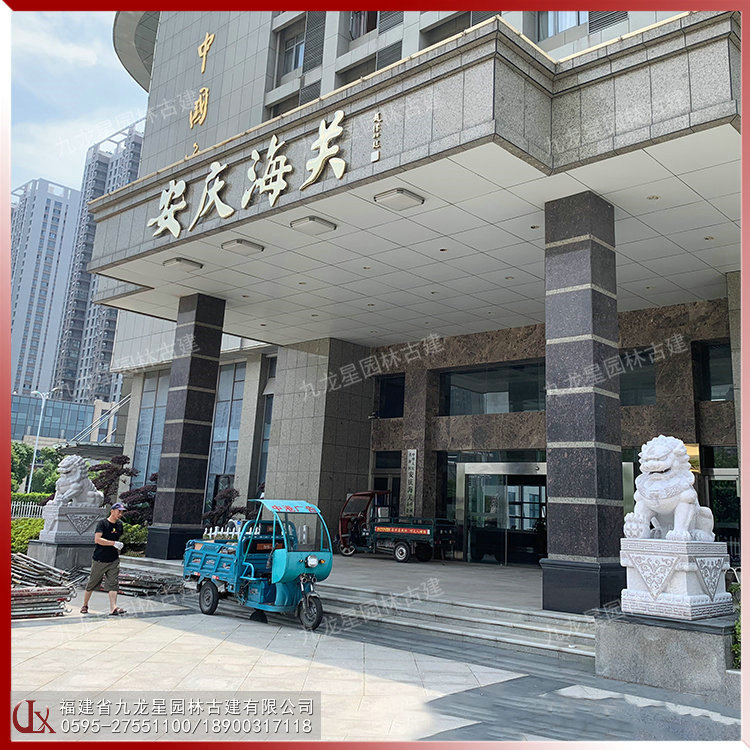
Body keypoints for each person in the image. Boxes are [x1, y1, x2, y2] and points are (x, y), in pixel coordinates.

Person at [80, 502, 127, 616]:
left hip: (113, 559)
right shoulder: (102, 524)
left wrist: (118, 545)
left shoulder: (119, 525)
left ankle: (113, 607)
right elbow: (97, 539)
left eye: (122, 512)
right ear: (112, 511)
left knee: (113, 583)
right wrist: (113, 543)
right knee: (92, 582)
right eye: (118, 512)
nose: (120, 514)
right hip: (100, 559)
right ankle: (85, 604)